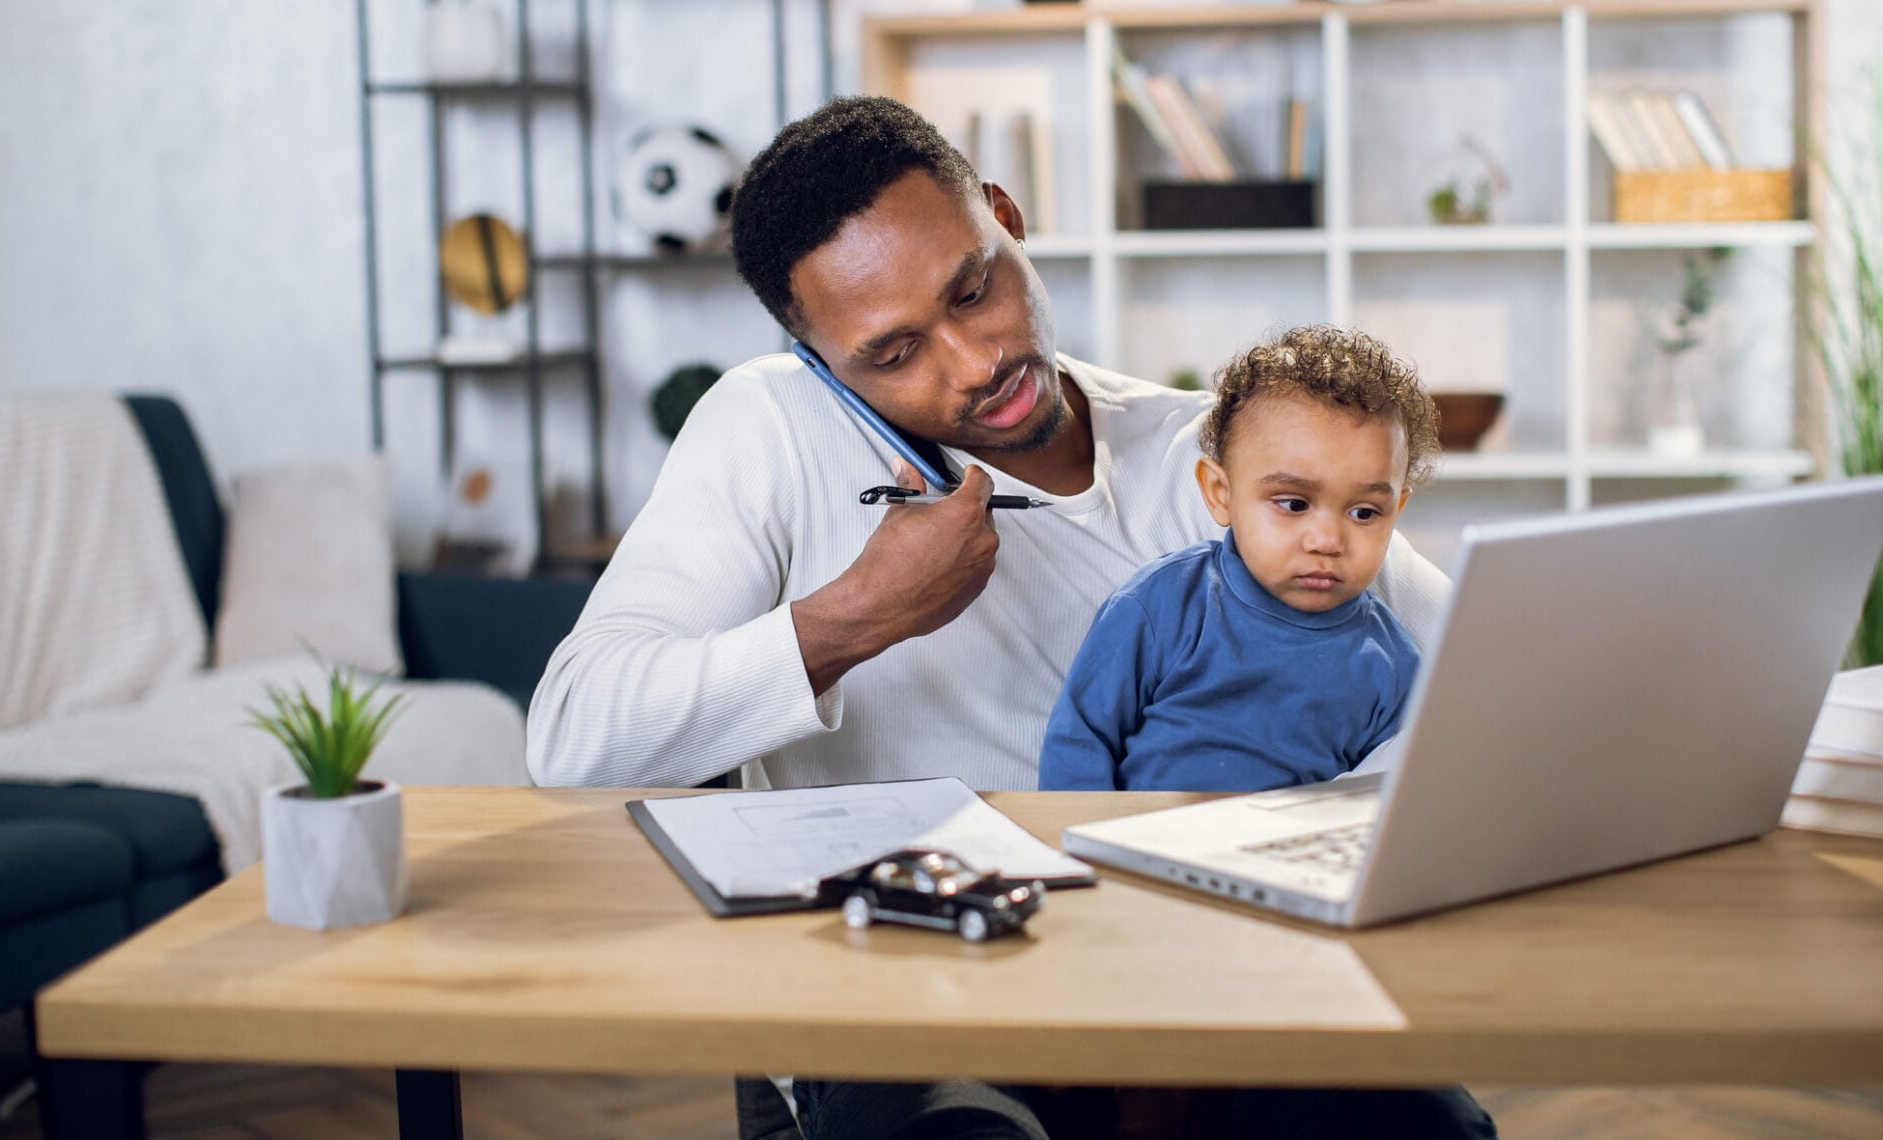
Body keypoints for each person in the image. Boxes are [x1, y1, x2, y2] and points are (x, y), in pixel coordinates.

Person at [527, 96, 1494, 1140]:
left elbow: (1470, 695)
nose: (972, 361)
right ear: (821, 365)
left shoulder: (1209, 458)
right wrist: (851, 618)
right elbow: (574, 739)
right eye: (893, 354)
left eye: (973, 289)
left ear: (1003, 216)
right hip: (923, 989)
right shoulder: (768, 428)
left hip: (1204, 968)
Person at [1040, 325, 1437, 793]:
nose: (1327, 540)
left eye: (1365, 512)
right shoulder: (1161, 604)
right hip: (1143, 846)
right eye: (1293, 504)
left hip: (1286, 858)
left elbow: (1390, 798)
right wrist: (1083, 851)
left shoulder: (1393, 665)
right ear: (1220, 494)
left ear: (1397, 511)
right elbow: (1078, 742)